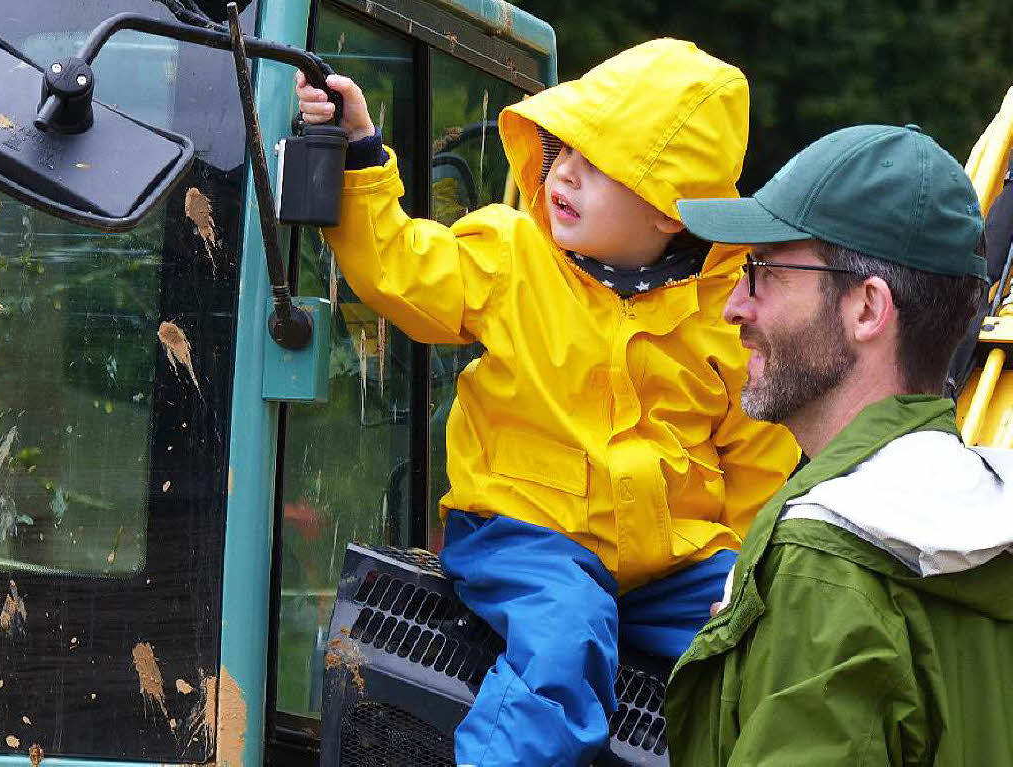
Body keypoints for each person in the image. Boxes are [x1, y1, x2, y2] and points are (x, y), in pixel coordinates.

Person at [296, 39, 798, 766]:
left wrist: (746, 583)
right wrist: (362, 152)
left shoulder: (724, 315)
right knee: (565, 640)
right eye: (564, 150)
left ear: (670, 212)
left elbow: (758, 461)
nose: (563, 172)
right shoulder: (511, 254)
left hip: (669, 566)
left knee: (760, 645)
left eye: (597, 165)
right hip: (525, 536)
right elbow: (402, 269)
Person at [664, 123, 1013, 765]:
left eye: (763, 270)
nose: (734, 306)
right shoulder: (990, 523)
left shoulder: (824, 566)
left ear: (865, 310)